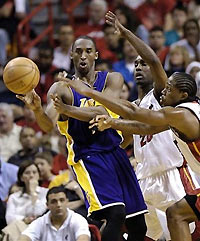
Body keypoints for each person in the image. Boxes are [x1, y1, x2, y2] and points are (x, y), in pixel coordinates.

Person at [61, 11, 195, 241]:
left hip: (171, 173)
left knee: (183, 232)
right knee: (142, 233)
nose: (139, 67)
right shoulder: (131, 105)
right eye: (136, 64)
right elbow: (128, 136)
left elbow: (153, 60)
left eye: (143, 64)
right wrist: (109, 127)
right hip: (144, 177)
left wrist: (125, 33)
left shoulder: (161, 96)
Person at [17, 36, 147, 241]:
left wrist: (68, 109)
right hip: (88, 157)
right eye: (78, 51)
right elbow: (48, 126)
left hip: (116, 153)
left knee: (139, 226)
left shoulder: (113, 79)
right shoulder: (61, 88)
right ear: (71, 55)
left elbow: (104, 109)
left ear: (96, 54)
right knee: (115, 214)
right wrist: (36, 110)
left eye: (88, 50)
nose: (83, 55)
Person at [18, 186, 90, 241]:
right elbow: (25, 236)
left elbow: (83, 238)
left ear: (67, 202)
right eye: (54, 201)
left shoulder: (78, 220)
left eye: (62, 200)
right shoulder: (40, 222)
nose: (58, 205)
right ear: (47, 205)